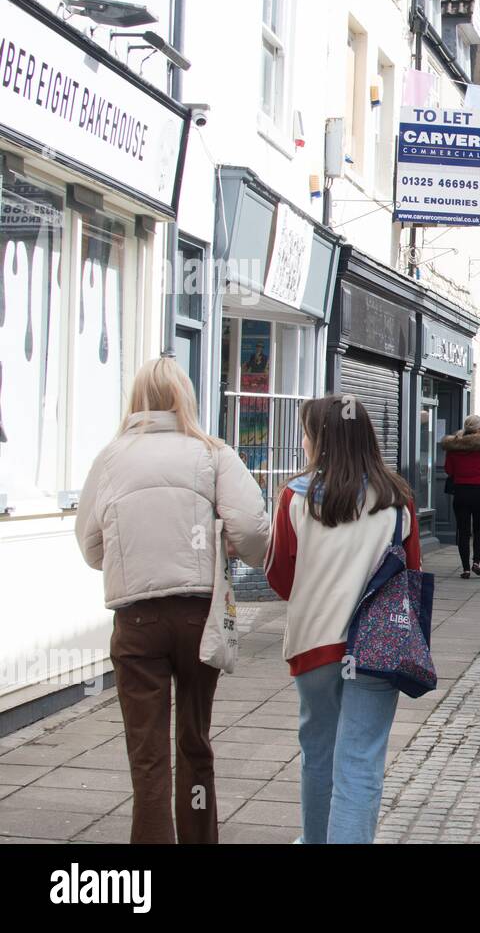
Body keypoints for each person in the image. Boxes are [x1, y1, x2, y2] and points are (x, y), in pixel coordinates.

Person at [75, 358, 270, 844]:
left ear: (136, 400)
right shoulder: (212, 451)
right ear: (186, 397)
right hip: (196, 617)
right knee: (194, 743)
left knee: (147, 756)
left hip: (137, 619)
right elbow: (251, 529)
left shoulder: (110, 458)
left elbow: (91, 547)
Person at [265, 395, 421, 844]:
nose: (303, 442)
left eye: (307, 434)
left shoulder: (295, 497)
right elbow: (412, 575)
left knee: (319, 756)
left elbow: (280, 576)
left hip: (314, 648)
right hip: (376, 649)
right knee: (359, 764)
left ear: (323, 441)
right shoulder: (398, 500)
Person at [440, 414, 480, 578]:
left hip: (460, 491)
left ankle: (465, 568)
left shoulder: (454, 446)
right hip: (479, 491)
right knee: (478, 529)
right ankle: (476, 562)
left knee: (463, 530)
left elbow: (449, 470)